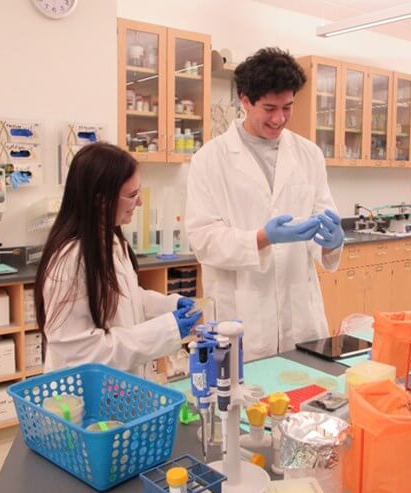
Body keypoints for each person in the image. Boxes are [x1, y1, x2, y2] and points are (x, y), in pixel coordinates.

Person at [185, 47, 344, 362]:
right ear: (245, 100)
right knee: (245, 402)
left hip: (301, 315)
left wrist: (331, 243)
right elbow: (202, 239)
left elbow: (324, 219)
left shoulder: (308, 154)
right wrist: (262, 238)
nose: (280, 118)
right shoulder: (210, 159)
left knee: (306, 396)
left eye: (287, 107)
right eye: (269, 108)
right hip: (242, 313)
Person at [35, 142, 201, 376]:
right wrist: (166, 329)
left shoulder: (110, 241)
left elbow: (126, 298)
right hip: (82, 400)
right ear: (101, 200)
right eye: (132, 195)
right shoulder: (71, 260)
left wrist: (170, 305)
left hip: (117, 389)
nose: (140, 203)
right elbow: (84, 352)